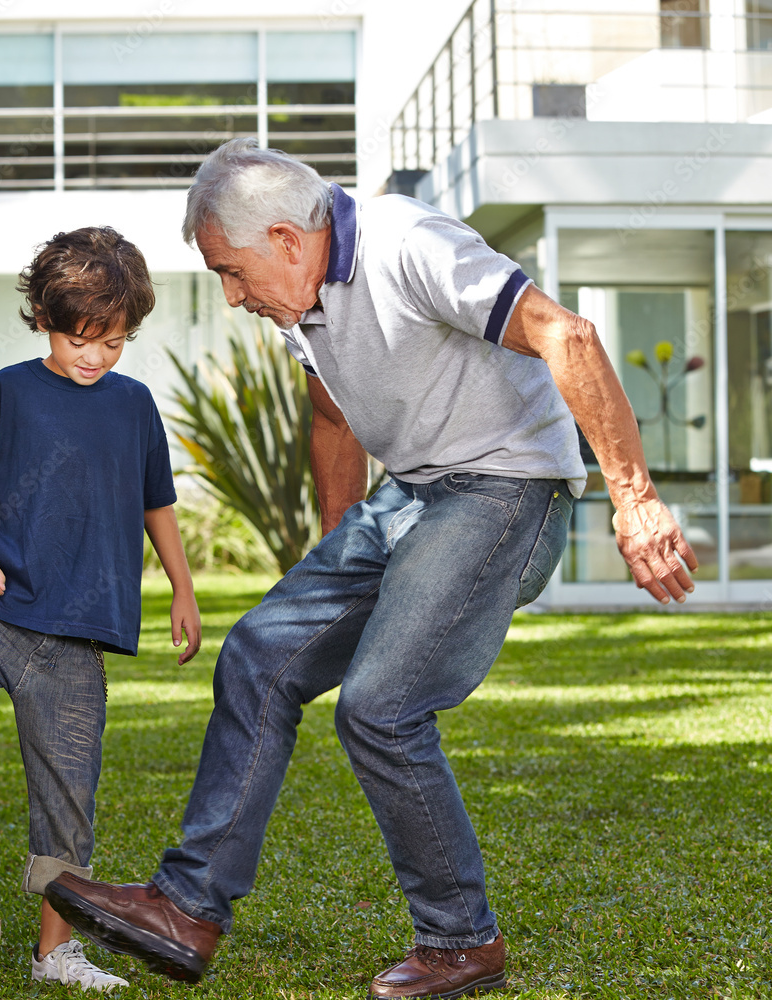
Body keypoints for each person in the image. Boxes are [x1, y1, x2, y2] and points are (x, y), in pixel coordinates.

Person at [44, 140, 697, 999]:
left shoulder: (406, 243)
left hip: (508, 490)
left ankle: (462, 940)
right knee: (257, 657)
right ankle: (187, 907)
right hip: (413, 496)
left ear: (285, 237)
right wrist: (335, 546)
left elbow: (562, 333)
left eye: (231, 273)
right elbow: (332, 420)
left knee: (383, 708)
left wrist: (635, 495)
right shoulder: (300, 308)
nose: (233, 297)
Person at [0, 226, 201, 993]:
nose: (98, 356)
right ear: (45, 317)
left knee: (67, 799)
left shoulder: (135, 406)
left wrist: (181, 588)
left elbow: (158, 503)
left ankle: (54, 954)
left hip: (79, 633)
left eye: (116, 342)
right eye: (84, 338)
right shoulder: (9, 391)